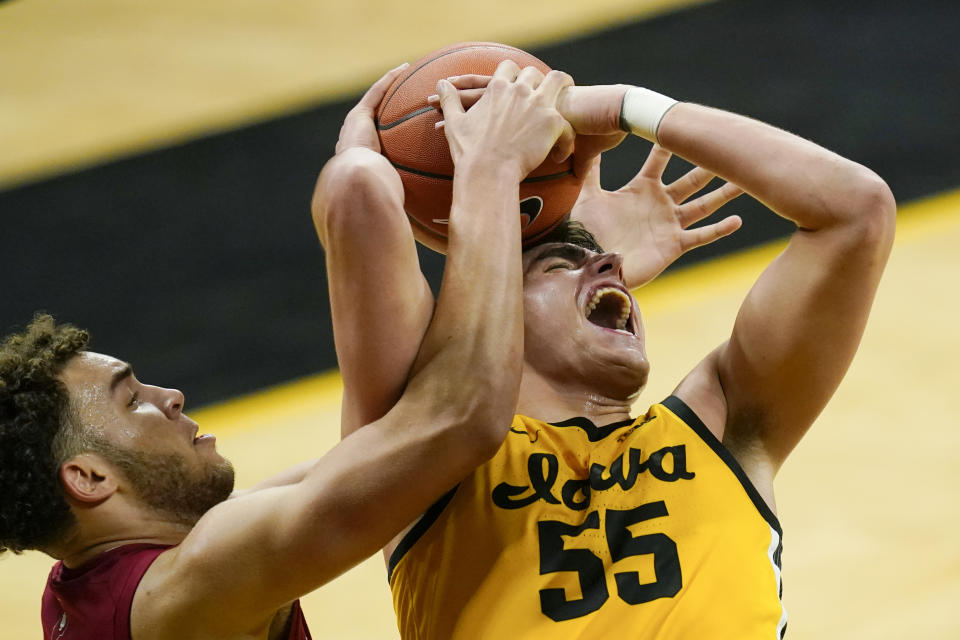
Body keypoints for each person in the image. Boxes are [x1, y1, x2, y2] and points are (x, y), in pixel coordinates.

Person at [317, 62, 896, 638]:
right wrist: (488, 169)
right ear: (499, 313)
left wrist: (623, 104)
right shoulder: (427, 444)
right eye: (559, 264)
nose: (612, 263)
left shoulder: (718, 430)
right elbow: (358, 186)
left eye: (605, 259)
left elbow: (857, 210)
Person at [0, 62, 578, 640]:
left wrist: (358, 197)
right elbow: (457, 422)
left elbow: (387, 452)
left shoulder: (81, 588)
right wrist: (492, 174)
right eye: (132, 401)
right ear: (89, 478)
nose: (170, 396)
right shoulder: (187, 589)